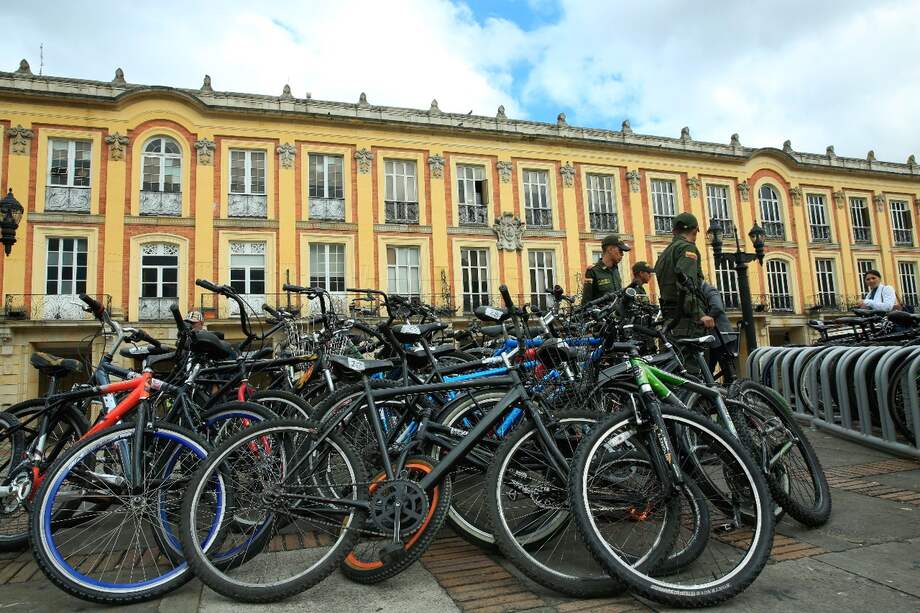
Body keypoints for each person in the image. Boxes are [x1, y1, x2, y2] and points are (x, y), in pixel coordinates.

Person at [653, 212, 715, 336]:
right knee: (691, 355)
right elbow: (686, 284)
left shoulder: (664, 254)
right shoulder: (687, 248)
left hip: (670, 318)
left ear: (674, 231)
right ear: (695, 231)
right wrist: (699, 314)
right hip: (686, 320)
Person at [700, 281, 737, 381]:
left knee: (729, 371)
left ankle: (734, 392)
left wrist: (707, 318)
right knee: (707, 370)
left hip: (722, 338)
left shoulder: (708, 289)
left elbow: (717, 307)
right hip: (711, 340)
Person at [582, 234, 631, 304]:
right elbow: (586, 303)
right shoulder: (593, 271)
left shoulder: (615, 270)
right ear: (610, 249)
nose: (622, 254)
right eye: (620, 251)